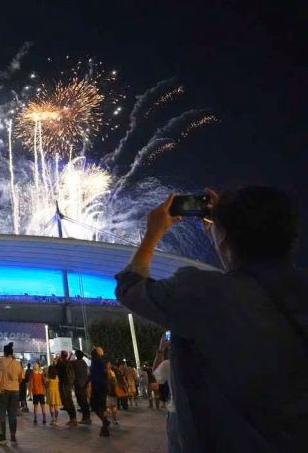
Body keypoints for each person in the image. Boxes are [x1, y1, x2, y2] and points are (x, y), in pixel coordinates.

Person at [116, 187, 308, 452]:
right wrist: (224, 234)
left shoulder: (201, 293)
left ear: (226, 238)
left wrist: (152, 234)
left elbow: (129, 286)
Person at [0, 342, 23, 445]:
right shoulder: (17, 363)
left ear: (4, 352)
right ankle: (13, 436)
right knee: (12, 414)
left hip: (3, 390)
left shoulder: (1, 361)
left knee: (2, 414)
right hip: (15, 390)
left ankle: (2, 437)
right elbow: (21, 379)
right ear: (12, 353)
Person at [153, 334, 179, 453]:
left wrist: (161, 349)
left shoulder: (170, 364)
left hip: (176, 412)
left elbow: (156, 374)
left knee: (176, 446)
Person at [89, 347, 110, 437]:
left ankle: (105, 423)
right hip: (102, 387)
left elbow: (95, 375)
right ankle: (105, 422)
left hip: (98, 388)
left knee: (96, 406)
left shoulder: (98, 363)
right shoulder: (99, 362)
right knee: (102, 406)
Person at [55, 351, 78, 426]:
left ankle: (73, 419)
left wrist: (57, 361)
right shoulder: (69, 363)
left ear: (61, 356)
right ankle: (73, 418)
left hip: (63, 384)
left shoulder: (60, 364)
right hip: (69, 384)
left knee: (66, 401)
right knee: (69, 400)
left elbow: (55, 370)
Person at [72, 350, 91, 424]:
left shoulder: (76, 363)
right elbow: (88, 373)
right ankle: (86, 417)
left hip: (79, 385)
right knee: (84, 401)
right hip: (84, 384)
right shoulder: (84, 363)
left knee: (81, 401)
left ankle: (86, 418)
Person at [105, 360, 120, 426]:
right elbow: (115, 382)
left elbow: (115, 381)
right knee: (112, 406)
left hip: (109, 392)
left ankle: (112, 419)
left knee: (110, 406)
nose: (109, 365)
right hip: (110, 392)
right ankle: (113, 420)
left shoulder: (108, 372)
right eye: (109, 364)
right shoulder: (110, 372)